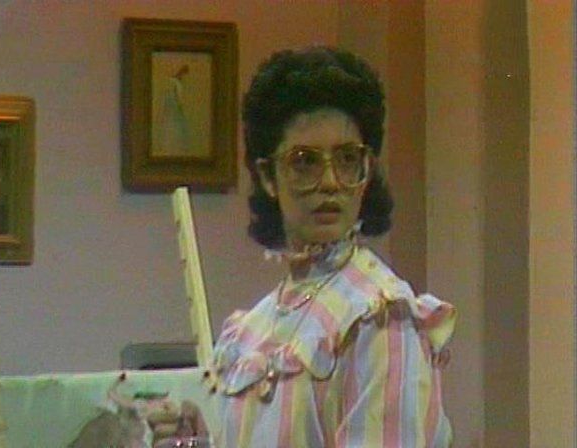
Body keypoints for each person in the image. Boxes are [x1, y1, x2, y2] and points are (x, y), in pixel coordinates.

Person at [150, 46, 456, 448]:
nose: (329, 181)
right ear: (268, 177)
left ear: (366, 169)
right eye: (304, 161)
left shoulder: (380, 319)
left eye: (347, 159)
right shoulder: (250, 331)